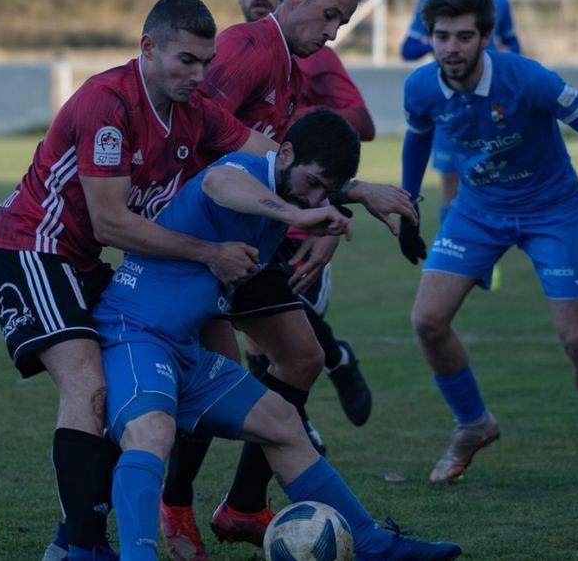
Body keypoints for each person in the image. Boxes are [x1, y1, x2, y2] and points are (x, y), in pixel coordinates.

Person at [0, 0, 278, 560]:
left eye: (206, 62)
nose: (198, 74)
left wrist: (345, 191)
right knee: (88, 387)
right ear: (148, 47)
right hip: (32, 248)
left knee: (124, 402)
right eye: (185, 60)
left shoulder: (194, 110)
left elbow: (272, 161)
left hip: (83, 263)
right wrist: (209, 254)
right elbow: (112, 222)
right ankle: (86, 548)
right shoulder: (107, 101)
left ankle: (71, 542)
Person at [98, 109, 462, 561]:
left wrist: (349, 196)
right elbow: (218, 183)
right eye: (310, 184)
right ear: (284, 153)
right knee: (152, 431)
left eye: (322, 192)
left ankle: (369, 543)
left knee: (283, 422)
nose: (314, 198)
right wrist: (296, 213)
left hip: (185, 352)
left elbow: (314, 183)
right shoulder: (243, 171)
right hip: (134, 333)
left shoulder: (292, 187)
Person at [159, 0, 417, 559]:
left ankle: (245, 506)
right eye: (329, 16)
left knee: (301, 356)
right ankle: (172, 506)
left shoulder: (287, 63)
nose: (331, 34)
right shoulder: (248, 50)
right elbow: (198, 144)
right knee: (216, 377)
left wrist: (330, 205)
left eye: (342, 25)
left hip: (243, 239)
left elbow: (280, 167)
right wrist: (348, 194)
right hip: (207, 239)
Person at [399, 0, 578, 490]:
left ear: (485, 38)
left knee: (577, 339)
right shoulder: (420, 88)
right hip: (477, 213)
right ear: (430, 40)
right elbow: (417, 136)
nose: (451, 48)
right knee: (427, 321)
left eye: (464, 36)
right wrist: (408, 204)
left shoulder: (529, 79)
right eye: (441, 37)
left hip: (553, 213)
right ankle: (473, 424)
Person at [400, 0, 520, 229]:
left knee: (494, 187)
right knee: (451, 192)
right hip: (449, 103)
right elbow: (408, 48)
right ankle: (455, 254)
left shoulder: (499, 0)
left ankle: (485, 264)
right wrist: (444, 44)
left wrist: (506, 51)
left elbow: (514, 46)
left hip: (494, 105)